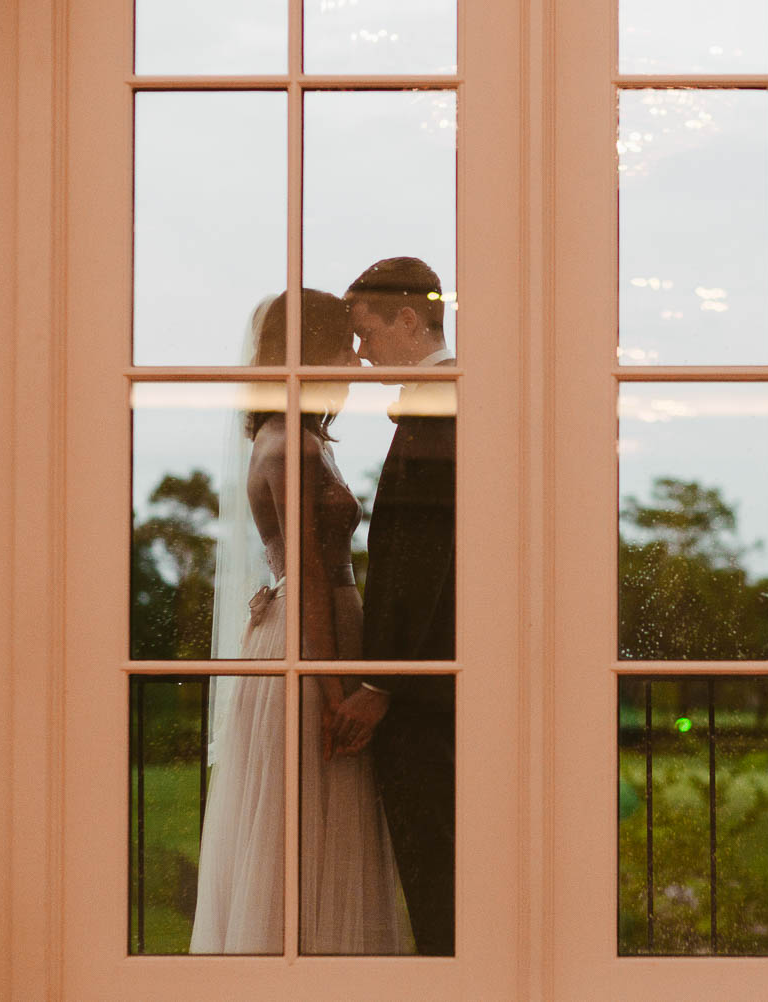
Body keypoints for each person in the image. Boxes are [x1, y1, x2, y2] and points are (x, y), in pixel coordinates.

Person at [190, 289, 407, 955]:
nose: (355, 361)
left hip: (322, 628)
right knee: (306, 815)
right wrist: (331, 684)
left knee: (324, 817)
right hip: (310, 642)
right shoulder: (292, 447)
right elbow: (310, 575)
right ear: (313, 353)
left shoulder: (299, 438)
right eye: (344, 346)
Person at [329, 257, 457, 956]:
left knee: (437, 873)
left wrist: (381, 682)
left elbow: (422, 560)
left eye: (365, 331)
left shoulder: (442, 405)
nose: (359, 351)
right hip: (434, 685)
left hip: (427, 695)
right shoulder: (438, 400)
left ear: (409, 319)